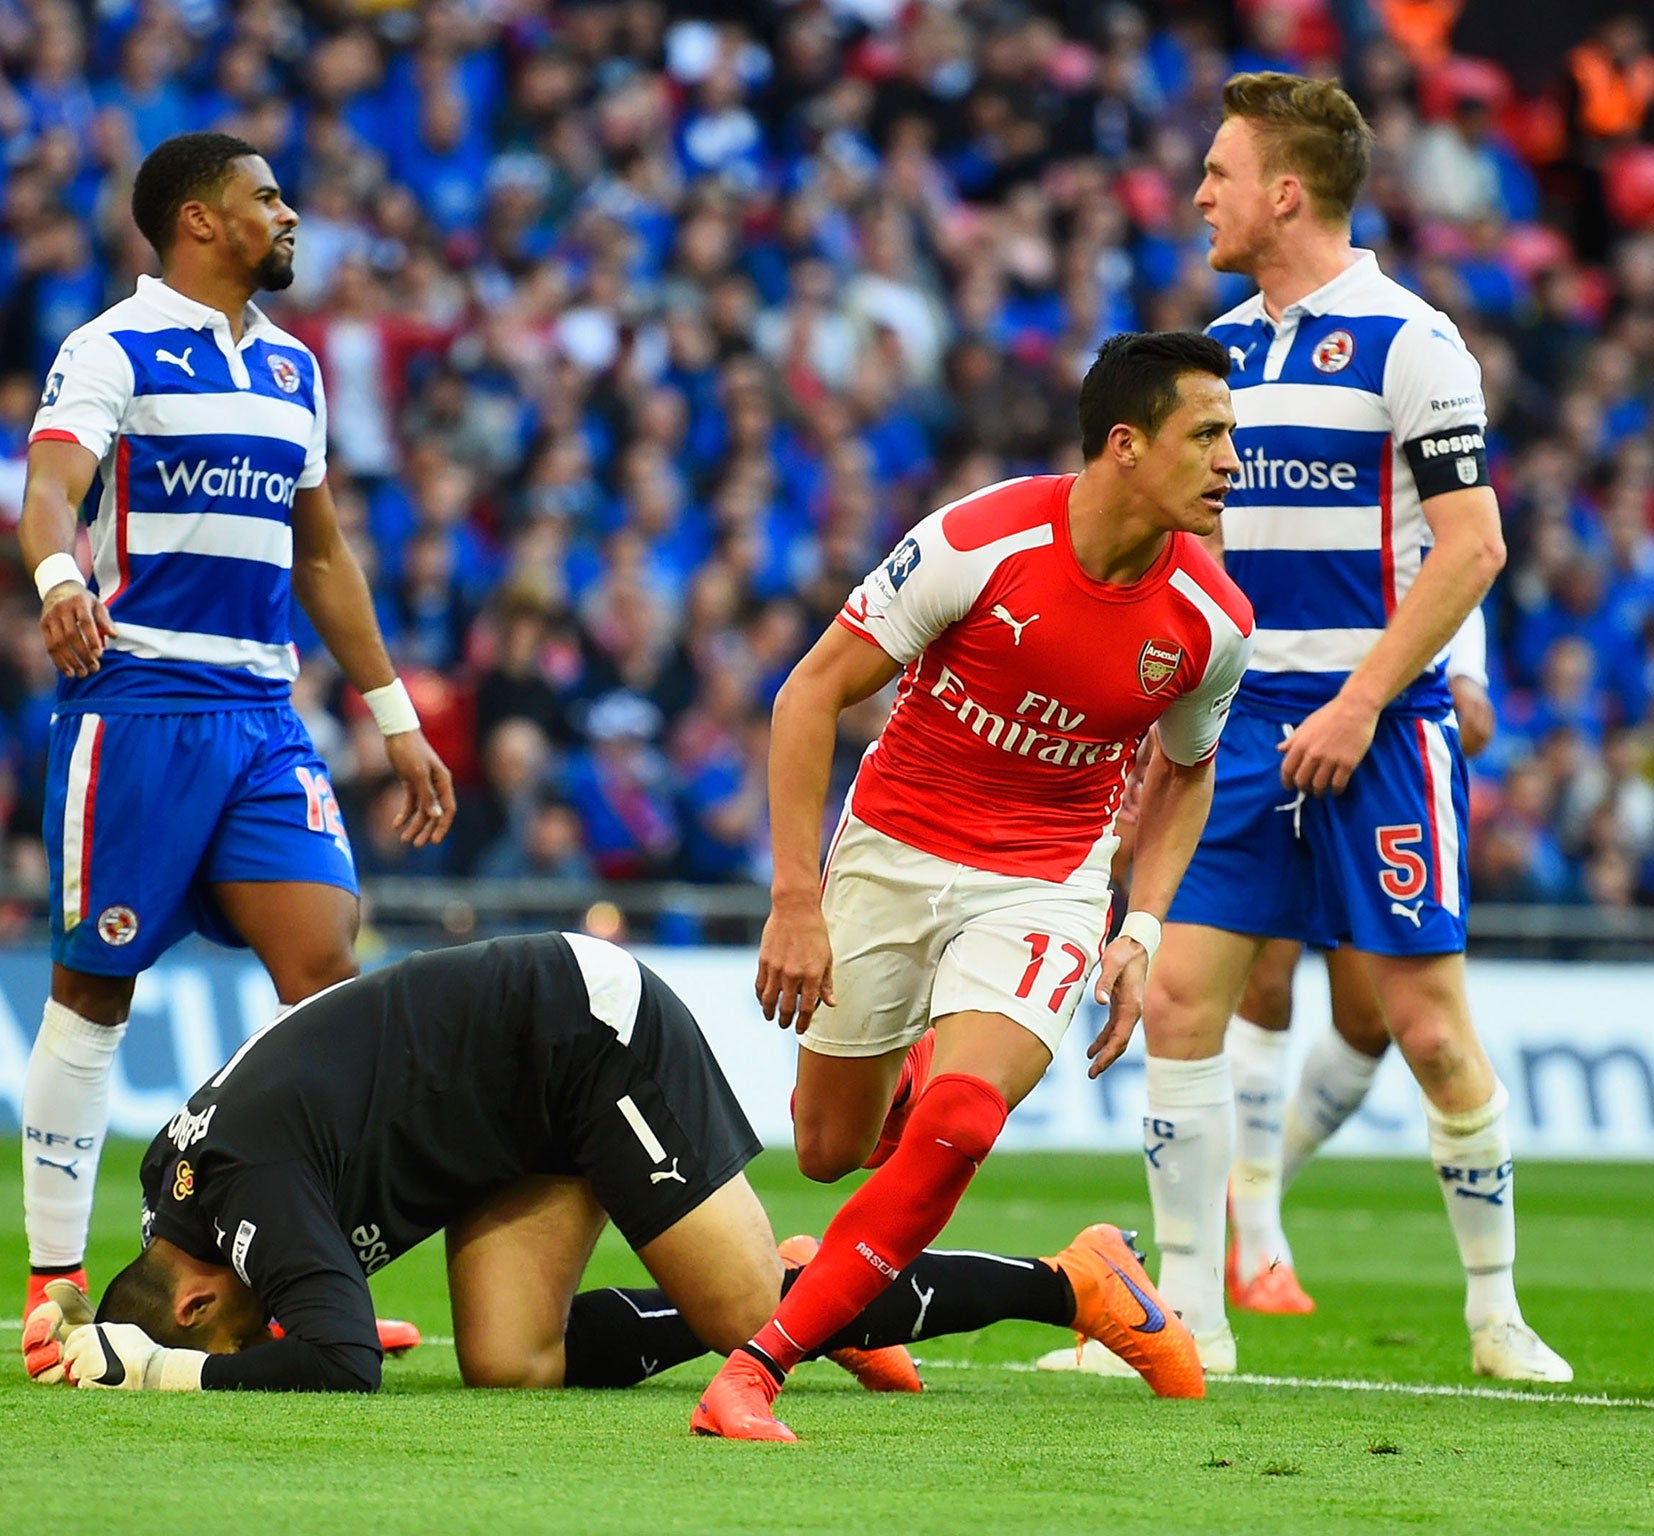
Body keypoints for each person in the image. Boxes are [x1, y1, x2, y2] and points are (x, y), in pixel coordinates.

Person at [1066, 72, 1570, 1384]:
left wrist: (1360, 701)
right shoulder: (1218, 353)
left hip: (1381, 724)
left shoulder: (1415, 343)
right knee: (1181, 1003)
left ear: (1285, 191)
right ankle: (1191, 1323)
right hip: (1240, 723)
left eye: (1221, 173)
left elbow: (1475, 547)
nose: (1200, 196)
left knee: (1428, 1026)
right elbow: (1196, 554)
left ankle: (1498, 1318)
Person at [688, 331, 1255, 1440]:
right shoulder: (976, 541)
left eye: (1231, 434)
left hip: (1043, 881)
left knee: (959, 1119)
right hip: (890, 850)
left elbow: (1186, 775)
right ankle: (1060, 1264)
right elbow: (808, 698)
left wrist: (1137, 926)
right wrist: (795, 901)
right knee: (827, 1151)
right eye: (1208, 435)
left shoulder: (1212, 621)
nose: (1232, 459)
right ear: (1126, 446)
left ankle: (758, 1369)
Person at [18, 130, 455, 1379]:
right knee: (96, 990)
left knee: (329, 981)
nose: (289, 213)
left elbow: (320, 555)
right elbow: (50, 490)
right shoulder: (108, 348)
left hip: (264, 718)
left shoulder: (292, 370)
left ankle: (316, 1273)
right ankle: (55, 1281)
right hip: (140, 701)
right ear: (202, 221)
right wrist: (58, 578)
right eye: (267, 197)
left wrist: (394, 715)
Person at [38, 932, 1189, 1396]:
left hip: (581, 1034)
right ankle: (804, 1291)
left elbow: (336, 1364)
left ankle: (1075, 1282)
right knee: (509, 1363)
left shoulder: (232, 1193)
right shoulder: (183, 1198)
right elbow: (300, 1300)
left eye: (234, 1329)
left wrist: (146, 1368)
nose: (261, 1328)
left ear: (193, 1293)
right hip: (500, 1104)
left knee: (751, 1317)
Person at [1224, 609, 1495, 1313]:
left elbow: (1447, 551)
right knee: (1264, 976)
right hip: (1270, 701)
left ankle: (1256, 1182)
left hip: (1383, 719)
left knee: (1371, 1021)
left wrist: (1467, 674)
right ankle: (1256, 1245)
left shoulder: (1426, 501)